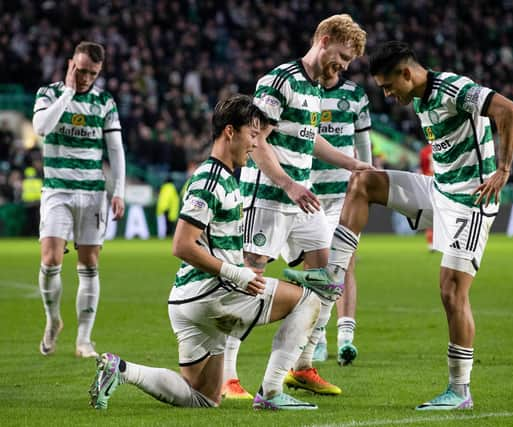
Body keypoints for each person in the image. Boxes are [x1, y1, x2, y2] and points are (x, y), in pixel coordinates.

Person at [285, 41, 513, 410]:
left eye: (389, 86)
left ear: (407, 73)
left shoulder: (452, 89)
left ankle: (460, 391)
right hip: (439, 191)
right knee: (364, 181)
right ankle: (334, 275)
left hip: (470, 202)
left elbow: (508, 109)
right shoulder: (422, 99)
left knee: (451, 291)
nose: (388, 94)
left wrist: (503, 170)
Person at [89, 95, 324, 411]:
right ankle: (270, 393)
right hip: (212, 295)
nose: (255, 145)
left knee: (204, 398)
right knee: (309, 300)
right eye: (252, 135)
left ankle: (121, 370)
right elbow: (181, 244)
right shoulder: (210, 180)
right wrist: (234, 272)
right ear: (230, 132)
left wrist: (237, 265)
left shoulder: (225, 178)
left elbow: (214, 242)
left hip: (188, 300)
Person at [221, 14, 370, 399]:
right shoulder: (279, 81)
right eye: (340, 56)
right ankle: (227, 375)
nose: (342, 66)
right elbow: (257, 140)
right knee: (249, 280)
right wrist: (288, 184)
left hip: (301, 201)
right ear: (323, 39)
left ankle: (301, 366)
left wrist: (351, 162)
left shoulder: (316, 88)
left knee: (327, 278)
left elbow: (310, 139)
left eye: (348, 63)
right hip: (269, 196)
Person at [32, 41, 126, 358]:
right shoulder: (48, 94)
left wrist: (119, 191)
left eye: (93, 73)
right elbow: (41, 127)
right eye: (81, 70)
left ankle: (84, 339)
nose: (86, 77)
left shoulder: (104, 102)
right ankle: (52, 320)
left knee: (89, 264)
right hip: (57, 189)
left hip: (93, 193)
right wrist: (69, 94)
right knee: (51, 260)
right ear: (71, 63)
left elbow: (116, 150)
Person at [299, 66, 372, 366]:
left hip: (346, 194)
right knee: (314, 264)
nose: (338, 65)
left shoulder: (355, 94)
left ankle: (345, 338)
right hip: (311, 194)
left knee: (344, 263)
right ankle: (317, 339)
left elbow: (364, 145)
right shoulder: (306, 93)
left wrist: (369, 183)